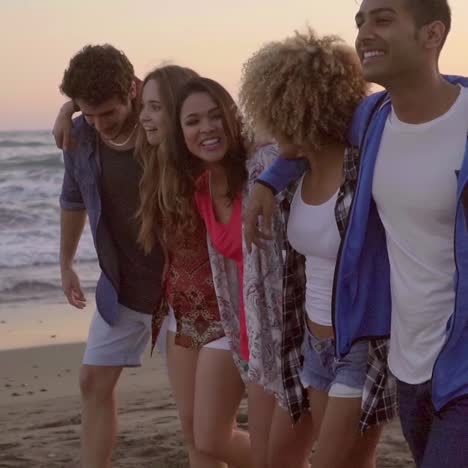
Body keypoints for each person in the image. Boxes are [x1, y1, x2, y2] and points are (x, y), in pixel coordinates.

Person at [244, 1, 468, 467]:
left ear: (432, 35)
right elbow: (310, 133)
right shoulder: (372, 119)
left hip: (448, 361)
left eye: (382, 18)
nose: (364, 31)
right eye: (360, 21)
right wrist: (267, 181)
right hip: (408, 362)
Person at [239, 29, 384, 468]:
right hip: (311, 342)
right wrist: (266, 182)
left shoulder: (367, 166)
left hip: (360, 344)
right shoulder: (292, 175)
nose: (265, 127)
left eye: (276, 115)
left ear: (301, 112)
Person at [161, 76, 305, 468]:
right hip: (247, 336)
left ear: (232, 118)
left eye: (215, 116)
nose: (206, 128)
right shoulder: (202, 187)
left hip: (287, 336)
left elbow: (301, 147)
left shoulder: (262, 163)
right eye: (192, 122)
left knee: (271, 457)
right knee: (212, 442)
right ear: (181, 133)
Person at [137, 66, 253, 468]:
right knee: (195, 439)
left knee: (212, 437)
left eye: (154, 107)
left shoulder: (210, 166)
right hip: (180, 315)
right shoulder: (159, 166)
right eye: (142, 107)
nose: (144, 117)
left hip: (225, 314)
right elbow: (107, 127)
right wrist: (71, 114)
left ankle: (287, 460)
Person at [58, 44, 165, 468]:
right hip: (122, 288)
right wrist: (66, 264)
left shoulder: (164, 129)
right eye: (90, 113)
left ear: (133, 92)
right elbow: (72, 198)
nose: (99, 124)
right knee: (92, 382)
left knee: (198, 413)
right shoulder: (79, 134)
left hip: (181, 290)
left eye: (109, 113)